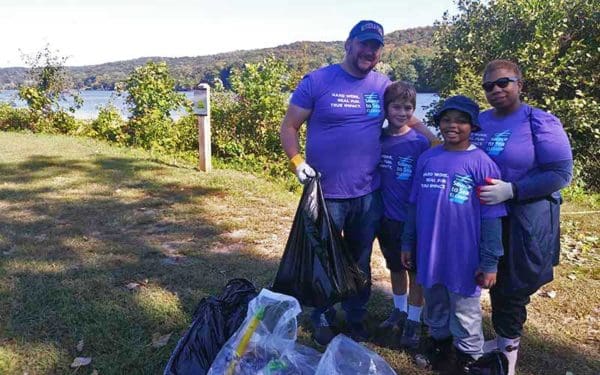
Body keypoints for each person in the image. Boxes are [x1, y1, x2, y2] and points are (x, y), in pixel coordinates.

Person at [279, 20, 435, 346]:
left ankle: (355, 315)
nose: (369, 51)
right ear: (349, 44)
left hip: (367, 194)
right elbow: (290, 126)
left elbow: (410, 119)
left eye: (375, 46)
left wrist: (448, 149)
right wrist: (297, 163)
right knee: (322, 256)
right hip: (324, 193)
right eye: (363, 44)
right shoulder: (318, 81)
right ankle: (321, 314)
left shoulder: (382, 86)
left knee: (359, 259)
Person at [473, 59, 573, 375]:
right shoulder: (480, 120)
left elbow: (560, 173)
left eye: (503, 82)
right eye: (489, 85)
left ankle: (507, 362)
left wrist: (513, 190)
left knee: (511, 289)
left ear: (520, 84)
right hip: (485, 216)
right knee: (486, 279)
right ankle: (501, 341)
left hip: (524, 219)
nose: (496, 90)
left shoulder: (540, 121)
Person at [401, 95, 507, 373]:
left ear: (472, 126)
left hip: (464, 256)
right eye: (446, 120)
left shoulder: (482, 164)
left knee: (464, 311)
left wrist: (489, 262)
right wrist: (408, 243)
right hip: (430, 252)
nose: (452, 126)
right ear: (438, 123)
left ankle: (469, 358)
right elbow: (414, 206)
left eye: (461, 121)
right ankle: (440, 347)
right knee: (434, 305)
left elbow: (492, 217)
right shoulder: (428, 158)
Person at [376, 81, 429, 350]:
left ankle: (414, 319)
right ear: (385, 109)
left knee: (415, 271)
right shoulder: (379, 138)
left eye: (408, 107)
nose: (402, 112)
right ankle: (398, 310)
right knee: (395, 266)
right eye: (396, 106)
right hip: (385, 218)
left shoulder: (420, 143)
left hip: (412, 219)